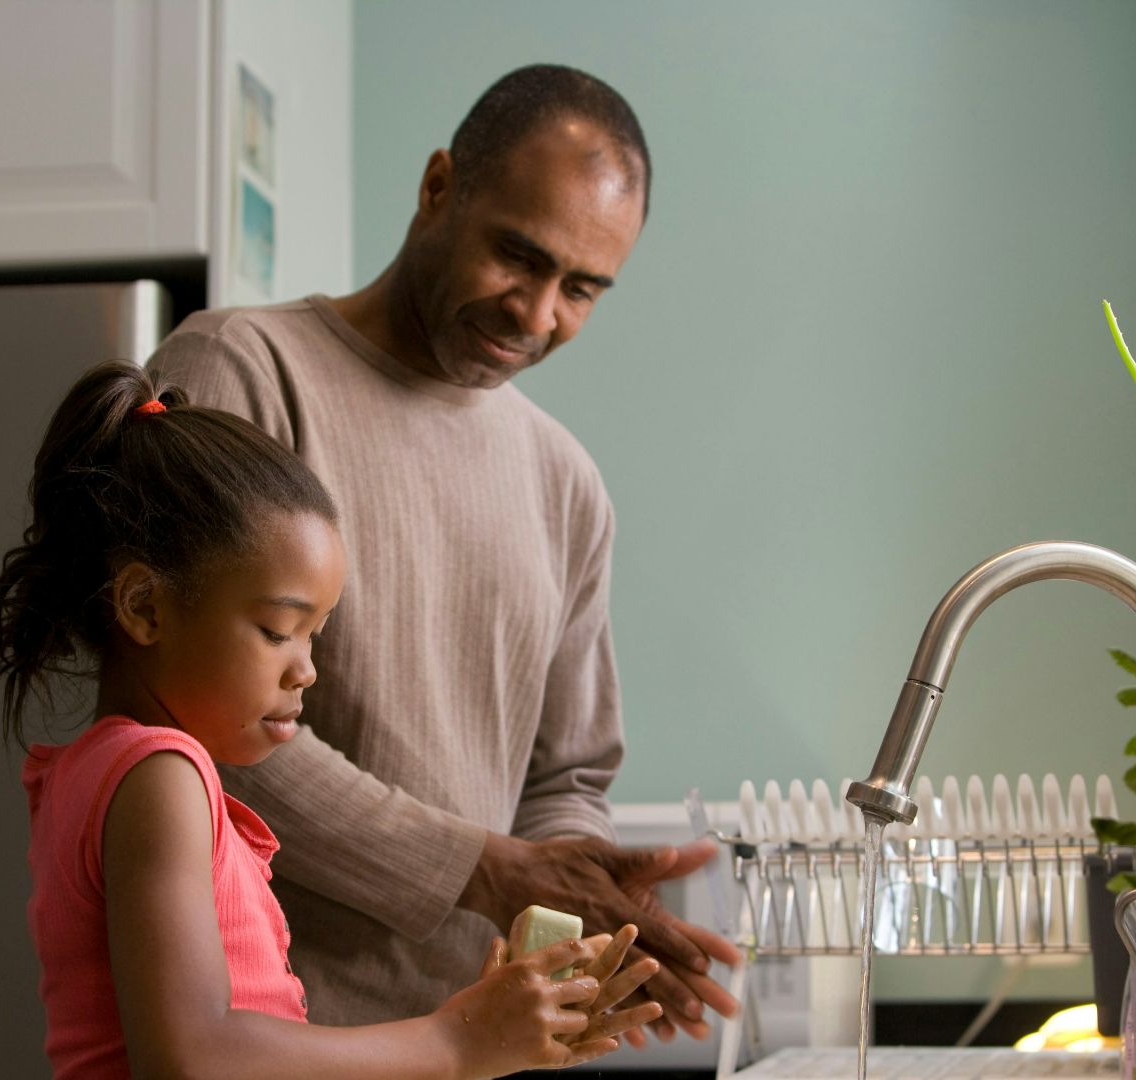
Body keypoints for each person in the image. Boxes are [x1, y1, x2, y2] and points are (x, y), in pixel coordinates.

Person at [147, 63, 741, 1042]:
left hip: (468, 1053)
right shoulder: (238, 373)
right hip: (262, 1045)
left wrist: (578, 901)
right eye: (518, 254)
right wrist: (485, 869)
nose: (537, 313)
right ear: (438, 190)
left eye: (582, 288)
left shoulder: (566, 483)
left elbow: (566, 778)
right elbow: (192, 720)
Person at [0, 361, 661, 1078]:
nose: (305, 670)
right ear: (145, 607)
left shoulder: (108, 772)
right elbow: (194, 1055)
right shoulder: (158, 775)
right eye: (278, 631)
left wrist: (490, 1027)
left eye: (315, 636)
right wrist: (456, 1040)